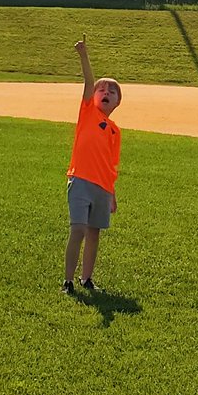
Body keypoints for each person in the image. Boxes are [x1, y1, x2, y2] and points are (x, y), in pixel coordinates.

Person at [62, 38, 122, 296]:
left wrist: (112, 194)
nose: (106, 93)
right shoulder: (88, 112)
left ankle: (87, 279)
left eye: (112, 91)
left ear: (119, 101)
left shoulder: (114, 131)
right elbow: (88, 82)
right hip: (81, 181)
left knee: (94, 233)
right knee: (78, 230)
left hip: (101, 188)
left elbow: (111, 164)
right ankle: (68, 281)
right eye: (102, 90)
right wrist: (84, 55)